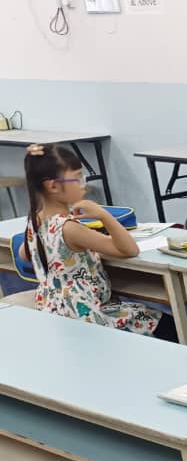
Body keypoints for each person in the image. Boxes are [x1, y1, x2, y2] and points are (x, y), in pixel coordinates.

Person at [21, 144, 178, 340]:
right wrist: (103, 215)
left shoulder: (35, 220)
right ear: (53, 186)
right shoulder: (70, 228)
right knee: (165, 324)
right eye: (78, 178)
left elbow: (24, 254)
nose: (83, 184)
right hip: (85, 315)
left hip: (53, 310)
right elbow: (130, 249)